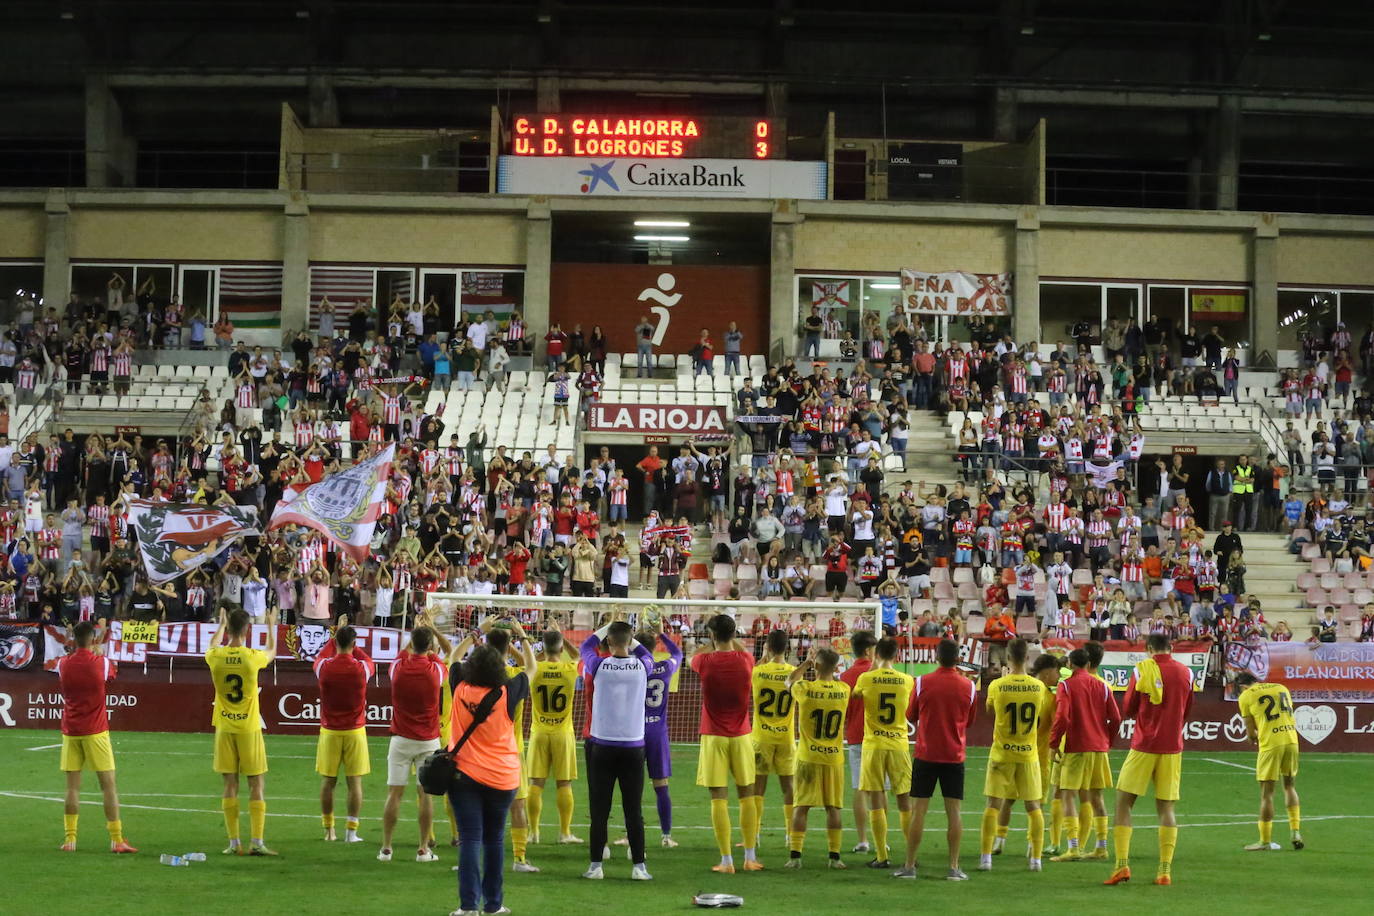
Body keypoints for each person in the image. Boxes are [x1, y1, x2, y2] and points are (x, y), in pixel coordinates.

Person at [446, 622, 535, 916]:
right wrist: (520, 637)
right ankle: (493, 904)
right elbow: (530, 668)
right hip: (502, 775)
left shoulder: (460, 686)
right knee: (494, 840)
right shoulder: (507, 693)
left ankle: (468, 906)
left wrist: (474, 633)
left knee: (470, 838)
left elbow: (453, 659)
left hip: (464, 774)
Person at [1104, 632, 1194, 886]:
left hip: (1144, 745)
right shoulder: (1186, 673)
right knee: (1166, 808)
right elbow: (1187, 709)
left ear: (1149, 649)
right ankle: (1164, 870)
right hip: (1172, 747)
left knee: (1123, 803)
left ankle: (1122, 865)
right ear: (1171, 648)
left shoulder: (1142, 670)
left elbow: (1129, 708)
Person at [893, 638, 979, 880]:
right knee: (954, 812)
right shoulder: (969, 687)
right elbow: (969, 721)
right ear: (958, 659)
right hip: (954, 755)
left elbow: (910, 714)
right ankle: (953, 867)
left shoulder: (921, 682)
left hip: (926, 753)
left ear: (936, 657)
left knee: (918, 810)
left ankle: (909, 866)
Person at [579, 612, 655, 881]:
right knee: (633, 809)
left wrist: (606, 627)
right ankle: (639, 867)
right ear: (630, 639)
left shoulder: (598, 666)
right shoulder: (643, 666)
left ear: (609, 642)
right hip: (633, 746)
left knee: (600, 809)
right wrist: (630, 638)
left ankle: (596, 866)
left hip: (602, 744)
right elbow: (646, 652)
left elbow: (585, 646)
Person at [55, 620, 137, 854]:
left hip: (71, 731)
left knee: (72, 788)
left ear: (73, 640)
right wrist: (98, 653)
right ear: (92, 639)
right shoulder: (101, 663)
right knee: (108, 786)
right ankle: (116, 839)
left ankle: (70, 839)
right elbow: (111, 676)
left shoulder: (63, 664)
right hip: (96, 731)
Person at [206, 603, 278, 856]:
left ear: (228, 630)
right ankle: (256, 842)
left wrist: (220, 625)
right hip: (248, 728)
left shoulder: (215, 656)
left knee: (230, 784)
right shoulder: (251, 658)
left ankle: (233, 842)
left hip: (225, 727)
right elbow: (271, 651)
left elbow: (211, 646)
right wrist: (271, 625)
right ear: (247, 629)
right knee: (256, 782)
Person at [691, 613, 759, 873]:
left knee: (718, 797)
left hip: (714, 736)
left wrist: (713, 642)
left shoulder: (703, 661)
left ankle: (727, 860)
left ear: (711, 635)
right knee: (747, 794)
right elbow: (740, 649)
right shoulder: (746, 660)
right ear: (734, 634)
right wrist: (731, 640)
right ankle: (750, 857)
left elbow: (693, 657)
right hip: (742, 735)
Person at [379, 620, 449, 864]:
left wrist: (417, 633)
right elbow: (446, 654)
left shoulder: (397, 668)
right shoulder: (435, 670)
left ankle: (386, 848)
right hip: (428, 740)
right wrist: (430, 633)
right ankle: (422, 849)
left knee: (394, 794)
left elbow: (402, 654)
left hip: (400, 738)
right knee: (425, 795)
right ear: (429, 646)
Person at [978, 638, 1047, 872]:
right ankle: (1035, 859)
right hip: (1028, 753)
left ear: (1008, 658)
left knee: (993, 805)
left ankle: (986, 857)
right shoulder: (1038, 687)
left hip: (1002, 753)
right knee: (1033, 806)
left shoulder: (998, 685)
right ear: (1027, 658)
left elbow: (989, 710)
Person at [1048, 646, 1120, 862]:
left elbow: (1062, 718)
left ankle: (1073, 848)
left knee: (1067, 795)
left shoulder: (1066, 686)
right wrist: (1108, 740)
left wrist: (1053, 744)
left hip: (1076, 747)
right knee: (1096, 797)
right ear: (1088, 665)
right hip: (1099, 748)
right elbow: (1116, 718)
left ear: (1069, 665)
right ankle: (1101, 846)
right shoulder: (1102, 686)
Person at [851, 636, 915, 869]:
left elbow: (856, 695)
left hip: (874, 745)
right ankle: (911, 856)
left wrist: (875, 670)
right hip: (898, 744)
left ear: (876, 654)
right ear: (897, 656)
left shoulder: (866, 678)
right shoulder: (906, 680)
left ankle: (881, 855)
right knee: (904, 800)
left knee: (877, 797)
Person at [784, 649, 851, 869]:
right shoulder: (844, 690)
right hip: (834, 758)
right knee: (834, 808)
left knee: (801, 807)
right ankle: (835, 857)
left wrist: (805, 665)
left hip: (808, 757)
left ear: (817, 666)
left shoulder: (805, 689)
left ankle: (795, 856)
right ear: (836, 667)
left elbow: (789, 681)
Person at [314, 616, 376, 843]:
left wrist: (336, 636)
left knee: (328, 782)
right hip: (355, 730)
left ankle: (329, 830)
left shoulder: (324, 667)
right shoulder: (361, 668)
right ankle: (351, 831)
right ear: (354, 644)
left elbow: (320, 656)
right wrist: (352, 647)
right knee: (355, 783)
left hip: (329, 730)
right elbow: (368, 660)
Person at [1234, 672, 1303, 851]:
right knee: (1289, 786)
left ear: (1242, 686)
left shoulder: (1246, 696)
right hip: (1291, 740)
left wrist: (1252, 737)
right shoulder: (1281, 688)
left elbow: (1251, 733)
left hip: (1271, 745)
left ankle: (1265, 841)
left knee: (1267, 794)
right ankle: (1295, 831)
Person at [526, 627, 582, 845]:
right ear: (561, 647)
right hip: (562, 733)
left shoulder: (536, 668)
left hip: (539, 733)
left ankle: (533, 832)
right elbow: (577, 655)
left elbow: (529, 661)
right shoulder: (569, 668)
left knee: (535, 783)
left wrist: (542, 647)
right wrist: (563, 637)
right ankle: (565, 832)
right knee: (564, 784)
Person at [750, 629, 797, 855]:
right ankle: (790, 834)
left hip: (762, 737)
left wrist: (762, 661)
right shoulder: (794, 673)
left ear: (767, 647)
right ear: (787, 648)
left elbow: (750, 676)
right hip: (786, 738)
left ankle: (755, 833)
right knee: (788, 786)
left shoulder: (758, 672)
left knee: (758, 786)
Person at [638, 617, 684, 847]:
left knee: (632, 786)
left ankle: (630, 834)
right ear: (655, 648)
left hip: (633, 733)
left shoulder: (632, 668)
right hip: (657, 733)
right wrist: (662, 633)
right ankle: (666, 835)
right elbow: (678, 654)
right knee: (661, 785)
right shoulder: (665, 666)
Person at [839, 629, 877, 855]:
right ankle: (880, 839)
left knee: (860, 789)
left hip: (855, 737)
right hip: (879, 738)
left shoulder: (845, 677)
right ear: (868, 650)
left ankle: (863, 840)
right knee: (879, 790)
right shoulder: (878, 673)